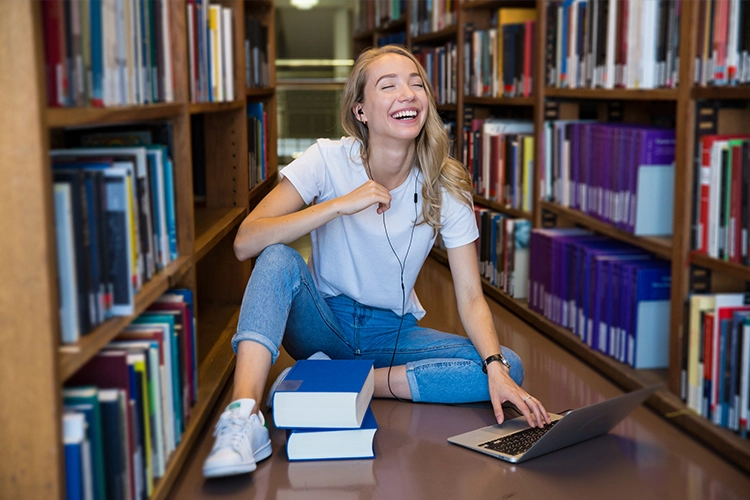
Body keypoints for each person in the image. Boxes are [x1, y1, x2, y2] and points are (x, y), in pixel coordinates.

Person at [202, 44, 550, 478]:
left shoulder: (447, 182)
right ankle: (244, 418)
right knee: (276, 258)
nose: (408, 93)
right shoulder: (327, 159)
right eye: (389, 85)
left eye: (416, 83)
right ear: (361, 110)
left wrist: (494, 367)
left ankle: (342, 382)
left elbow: (470, 297)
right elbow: (244, 242)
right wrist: (338, 205)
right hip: (323, 324)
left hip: (393, 335)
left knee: (505, 365)